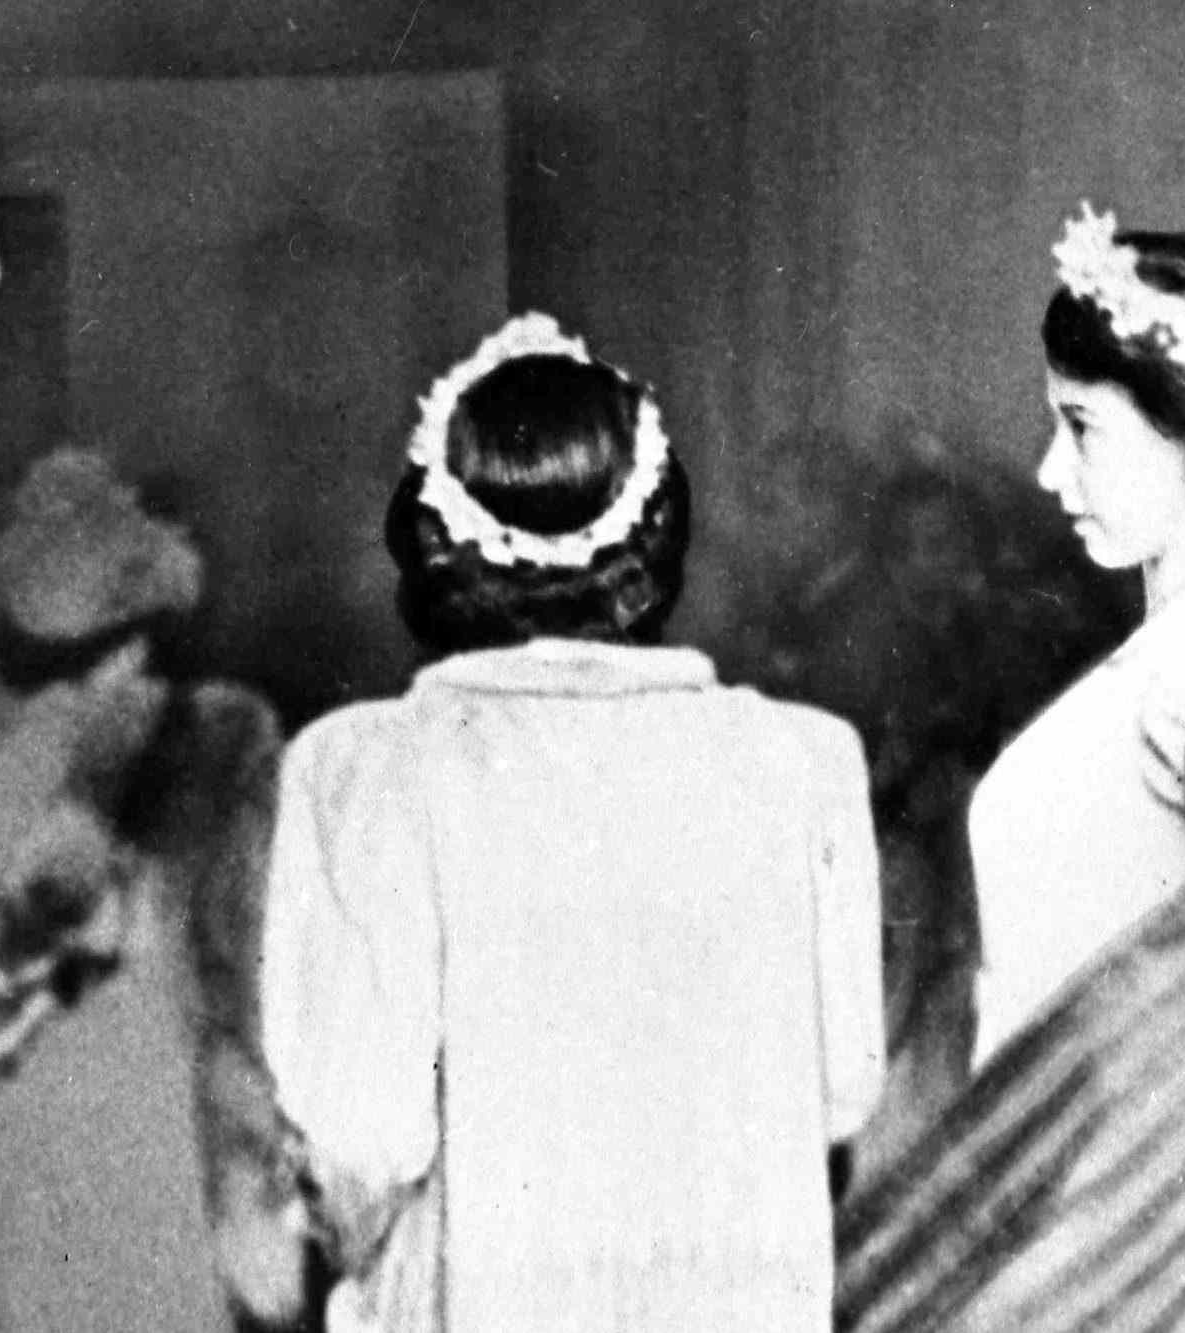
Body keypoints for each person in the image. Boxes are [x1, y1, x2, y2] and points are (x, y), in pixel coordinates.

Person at [834, 206, 1185, 1330]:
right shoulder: (1183, 646)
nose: (1050, 469)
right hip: (1073, 1232)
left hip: (1162, 1249)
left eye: (1081, 427)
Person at [258, 313, 885, 1332]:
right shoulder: (802, 761)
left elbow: (357, 1139)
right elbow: (842, 1093)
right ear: (656, 530)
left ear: (432, 538)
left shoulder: (362, 768)